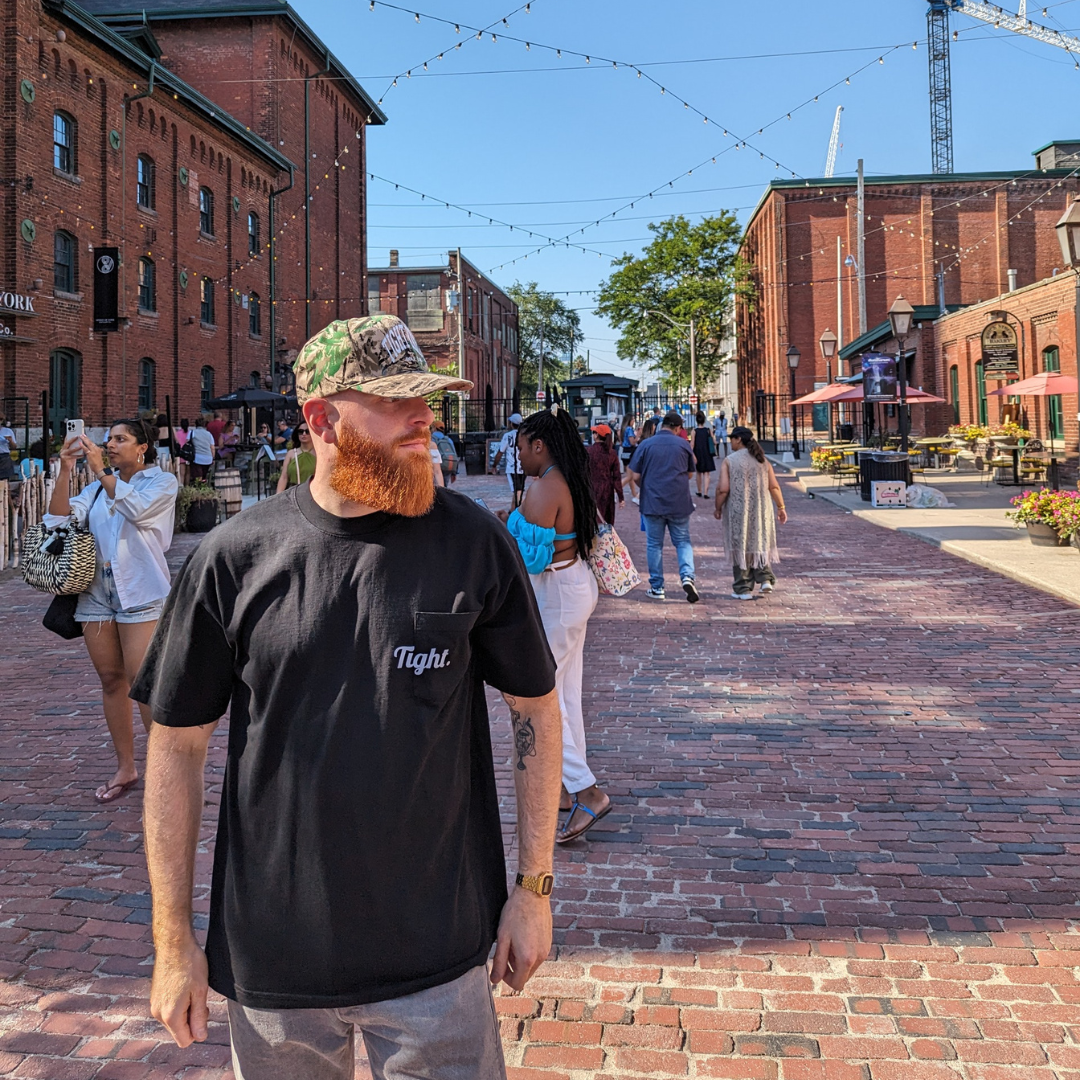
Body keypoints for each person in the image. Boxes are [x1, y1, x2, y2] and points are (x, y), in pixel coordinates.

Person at [134, 314, 562, 1079]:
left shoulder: (472, 542)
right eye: (395, 401)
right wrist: (173, 940)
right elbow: (176, 745)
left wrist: (533, 890)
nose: (424, 416)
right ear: (321, 420)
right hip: (275, 957)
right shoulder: (234, 559)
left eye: (424, 397)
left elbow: (534, 709)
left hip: (439, 953)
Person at [45, 418, 178, 802]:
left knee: (142, 683)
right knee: (111, 681)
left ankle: (164, 768)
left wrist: (102, 470)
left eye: (121, 439)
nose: (111, 444)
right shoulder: (95, 489)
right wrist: (67, 469)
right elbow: (57, 521)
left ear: (143, 447)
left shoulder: (161, 483)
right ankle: (126, 766)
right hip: (96, 593)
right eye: (108, 439)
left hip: (140, 591)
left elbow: (137, 510)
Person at [504, 404, 606, 844]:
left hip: (557, 594)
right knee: (565, 693)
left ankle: (587, 790)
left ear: (539, 445)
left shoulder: (544, 488)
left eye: (521, 446)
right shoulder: (566, 479)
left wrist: (502, 526)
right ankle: (565, 787)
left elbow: (530, 557)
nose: (518, 455)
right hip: (573, 585)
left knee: (541, 695)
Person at [627, 410, 699, 603]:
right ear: (677, 428)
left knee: (654, 545)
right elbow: (691, 473)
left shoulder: (646, 444)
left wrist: (647, 485)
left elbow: (634, 475)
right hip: (679, 501)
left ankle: (657, 586)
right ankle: (687, 576)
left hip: (653, 502)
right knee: (683, 541)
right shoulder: (683, 444)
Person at [714, 426, 787, 600]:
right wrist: (781, 507)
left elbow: (723, 489)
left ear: (738, 439)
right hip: (762, 508)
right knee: (760, 539)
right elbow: (774, 486)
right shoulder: (762, 459)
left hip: (739, 509)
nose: (730, 441)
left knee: (741, 544)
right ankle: (765, 579)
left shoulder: (730, 461)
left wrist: (717, 507)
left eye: (732, 438)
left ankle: (743, 587)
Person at [586, 423, 624, 526]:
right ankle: (604, 539)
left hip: (590, 487)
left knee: (591, 517)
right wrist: (621, 497)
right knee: (606, 519)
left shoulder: (588, 451)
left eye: (594, 432)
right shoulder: (612, 453)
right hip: (607, 489)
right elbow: (616, 476)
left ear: (596, 436)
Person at [493, 411, 525, 508]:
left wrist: (494, 465)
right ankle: (514, 511)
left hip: (512, 467)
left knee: (517, 492)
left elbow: (500, 452)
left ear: (512, 424)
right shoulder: (525, 435)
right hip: (524, 467)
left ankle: (518, 512)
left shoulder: (508, 436)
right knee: (519, 491)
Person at [274, 421, 315, 493]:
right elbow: (284, 477)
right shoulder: (291, 453)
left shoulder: (318, 454)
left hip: (313, 494)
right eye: (300, 431)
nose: (304, 434)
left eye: (307, 431)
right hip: (293, 493)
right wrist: (278, 496)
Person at [692, 411, 717, 499]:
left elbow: (692, 445)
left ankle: (699, 491)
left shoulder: (694, 431)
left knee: (698, 473)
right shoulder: (708, 430)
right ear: (704, 420)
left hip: (698, 453)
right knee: (707, 473)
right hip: (707, 453)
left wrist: (692, 455)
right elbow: (714, 442)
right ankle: (706, 493)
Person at [431, 420, 459, 486]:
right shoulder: (448, 440)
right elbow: (454, 454)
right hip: (448, 465)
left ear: (434, 428)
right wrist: (454, 472)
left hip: (436, 466)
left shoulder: (432, 439)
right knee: (444, 486)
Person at [619, 417, 638, 504]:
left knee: (629, 476)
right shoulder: (629, 429)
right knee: (629, 477)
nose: (634, 421)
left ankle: (634, 494)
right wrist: (638, 436)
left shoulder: (623, 429)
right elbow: (632, 442)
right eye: (633, 419)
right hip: (630, 451)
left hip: (625, 452)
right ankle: (614, 491)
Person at [0, 416, 17, 481]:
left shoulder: (8, 431)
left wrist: (10, 440)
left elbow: (14, 447)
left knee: (4, 479)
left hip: (4, 457)